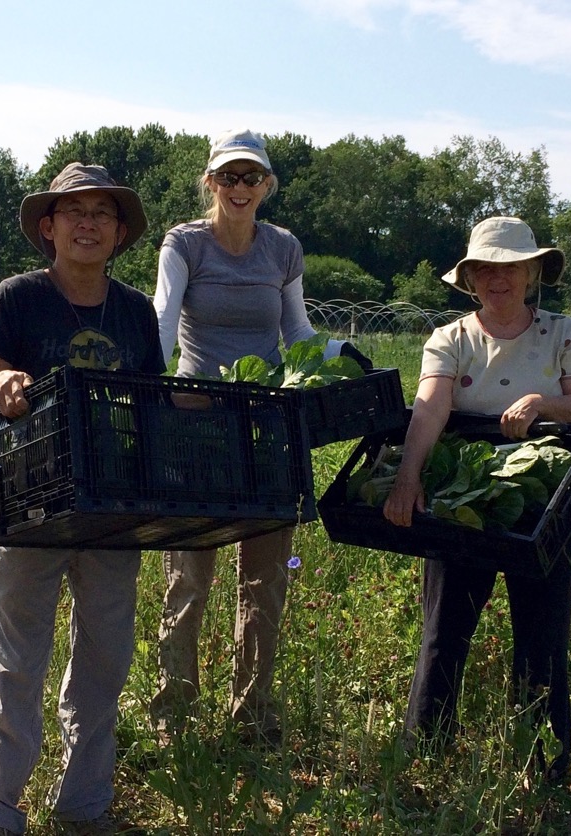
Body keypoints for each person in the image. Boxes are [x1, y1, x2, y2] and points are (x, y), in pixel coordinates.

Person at [150, 128, 371, 748]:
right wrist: (152, 383)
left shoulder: (283, 248)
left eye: (252, 178)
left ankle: (252, 712)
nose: (240, 187)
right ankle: (174, 715)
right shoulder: (185, 244)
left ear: (267, 185)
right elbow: (164, 318)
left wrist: (335, 354)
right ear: (210, 182)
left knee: (264, 577)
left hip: (266, 427)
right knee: (189, 576)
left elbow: (296, 331)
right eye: (229, 177)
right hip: (197, 425)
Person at [0, 163, 164, 836]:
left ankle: (84, 805)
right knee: (14, 660)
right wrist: (4, 384)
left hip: (114, 507)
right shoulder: (18, 298)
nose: (87, 223)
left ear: (118, 232)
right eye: (73, 211)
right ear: (48, 228)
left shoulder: (135, 312)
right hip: (30, 504)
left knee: (104, 661)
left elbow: (154, 403)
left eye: (101, 213)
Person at [382, 216, 571, 781]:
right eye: (484, 269)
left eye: (509, 267)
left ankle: (543, 768)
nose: (496, 278)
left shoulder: (563, 333)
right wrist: (409, 474)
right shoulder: (452, 338)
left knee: (542, 635)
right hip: (467, 495)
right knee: (443, 632)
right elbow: (431, 406)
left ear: (532, 273)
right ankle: (425, 760)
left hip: (544, 498)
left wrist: (540, 403)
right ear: (470, 278)